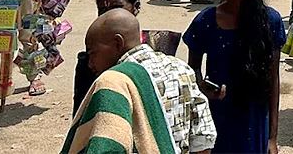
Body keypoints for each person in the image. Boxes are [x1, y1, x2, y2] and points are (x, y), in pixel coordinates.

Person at [65, 8, 217, 154]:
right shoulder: (181, 68)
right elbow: (203, 136)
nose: (90, 64)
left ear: (118, 43)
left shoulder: (113, 82)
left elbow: (107, 145)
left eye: (93, 53)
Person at [183, 0, 285, 154]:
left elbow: (273, 80)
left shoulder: (270, 21)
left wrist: (272, 138)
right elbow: (191, 73)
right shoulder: (206, 21)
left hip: (254, 117)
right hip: (216, 117)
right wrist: (204, 87)